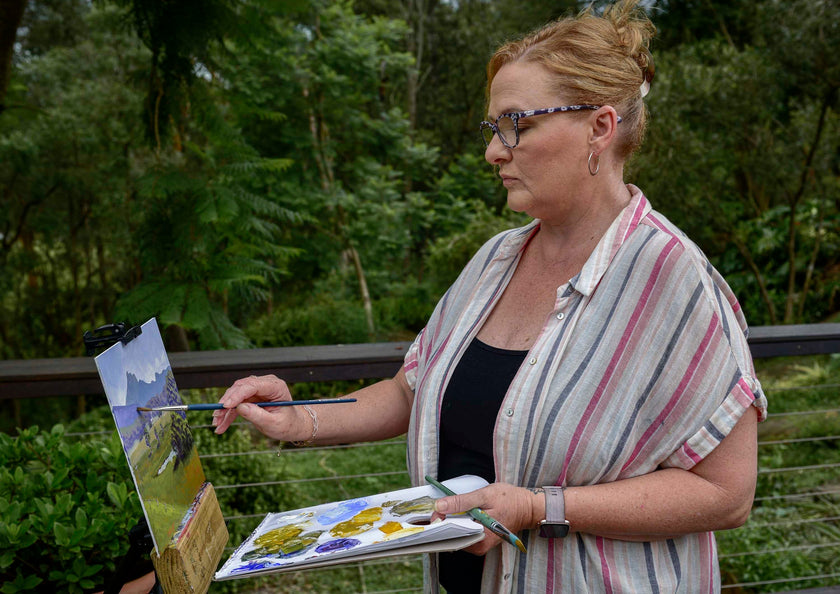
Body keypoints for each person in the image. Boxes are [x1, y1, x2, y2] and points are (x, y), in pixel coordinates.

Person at [212, 1, 768, 591]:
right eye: (493, 129)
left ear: (599, 127)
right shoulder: (494, 261)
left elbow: (726, 494)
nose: (494, 151)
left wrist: (538, 508)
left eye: (517, 126)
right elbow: (410, 389)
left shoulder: (673, 278)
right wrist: (299, 419)